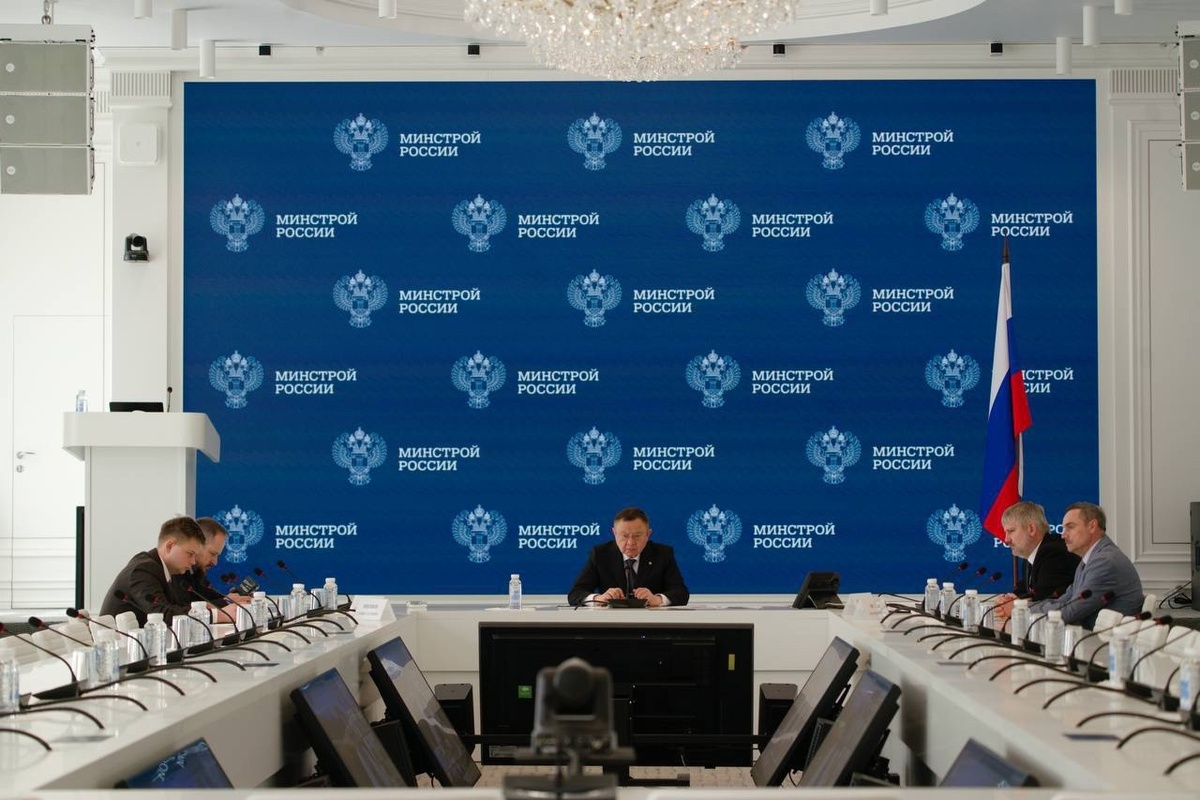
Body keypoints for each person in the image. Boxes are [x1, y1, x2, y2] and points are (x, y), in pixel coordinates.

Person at [1027, 501, 1144, 630]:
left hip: (1106, 640)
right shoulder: (1089, 560)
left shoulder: (1104, 562)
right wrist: (1024, 607)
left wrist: (1023, 612)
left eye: (1070, 527)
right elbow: (1063, 601)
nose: (1063, 535)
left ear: (1092, 526)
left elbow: (1069, 612)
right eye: (1063, 529)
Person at [568, 507, 689, 607]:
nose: (630, 543)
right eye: (625, 536)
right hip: (611, 622)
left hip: (651, 621)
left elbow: (681, 593)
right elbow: (575, 593)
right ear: (614, 533)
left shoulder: (662, 554)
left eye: (637, 536)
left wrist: (657, 599)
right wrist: (598, 598)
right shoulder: (600, 554)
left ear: (648, 534)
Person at [100, 515, 206, 625]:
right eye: (190, 554)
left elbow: (176, 607)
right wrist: (211, 615)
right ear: (170, 546)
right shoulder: (143, 570)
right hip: (118, 636)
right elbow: (161, 615)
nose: (193, 562)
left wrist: (204, 608)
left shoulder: (165, 570)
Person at [998, 500, 1080, 607]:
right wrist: (1011, 597)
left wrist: (1015, 604)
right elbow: (1028, 588)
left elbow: (1045, 599)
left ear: (1031, 529)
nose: (1006, 540)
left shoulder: (1054, 554)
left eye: (1011, 531)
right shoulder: (1033, 555)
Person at [173, 517, 249, 623]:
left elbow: (208, 598)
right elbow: (185, 609)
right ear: (197, 546)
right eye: (212, 554)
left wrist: (234, 598)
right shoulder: (176, 571)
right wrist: (226, 602)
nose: (215, 562)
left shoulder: (196, 573)